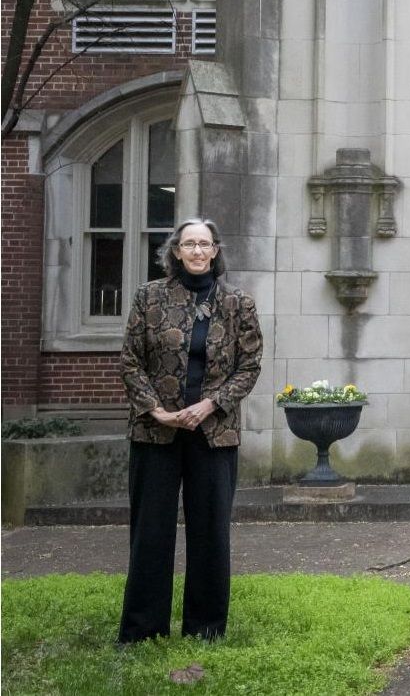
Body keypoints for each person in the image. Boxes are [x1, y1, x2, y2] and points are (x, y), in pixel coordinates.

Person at [117, 218, 263, 643]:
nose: (197, 251)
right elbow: (130, 361)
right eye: (189, 244)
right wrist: (157, 411)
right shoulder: (149, 297)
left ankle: (206, 630)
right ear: (176, 252)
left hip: (214, 434)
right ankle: (143, 631)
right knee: (150, 532)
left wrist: (210, 404)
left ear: (215, 251)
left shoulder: (238, 303)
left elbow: (249, 366)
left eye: (204, 244)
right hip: (155, 434)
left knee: (210, 533)